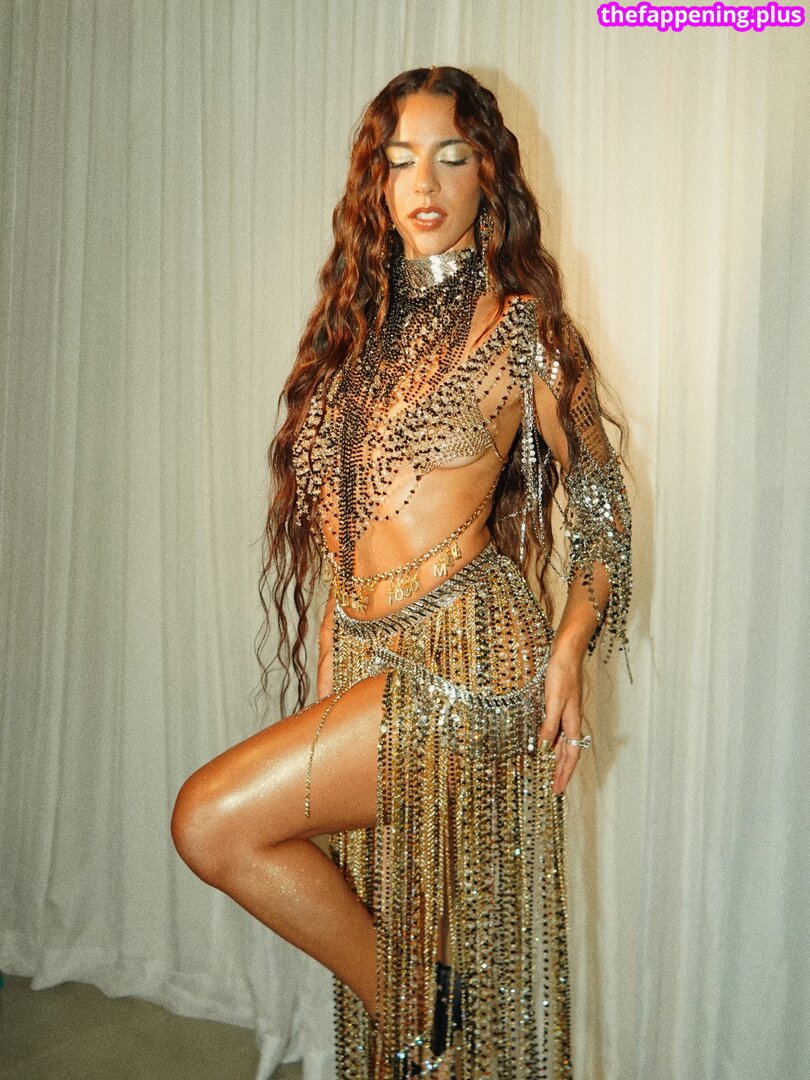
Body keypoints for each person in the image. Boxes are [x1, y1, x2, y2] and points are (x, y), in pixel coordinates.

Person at [171, 66, 631, 1080]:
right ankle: (428, 1020)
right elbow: (345, 543)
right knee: (404, 930)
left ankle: (428, 1006)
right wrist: (328, 682)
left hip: (469, 665)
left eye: (452, 158)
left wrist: (569, 654)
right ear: (375, 185)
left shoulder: (527, 332)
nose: (424, 183)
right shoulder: (356, 343)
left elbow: (602, 513)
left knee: (209, 821)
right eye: (400, 161)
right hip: (372, 669)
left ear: (488, 177)